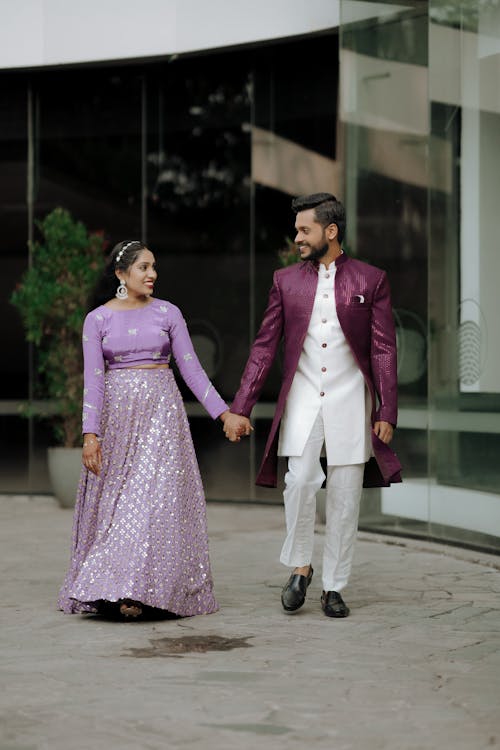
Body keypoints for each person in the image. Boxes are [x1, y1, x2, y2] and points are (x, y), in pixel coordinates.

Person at [223, 193, 402, 618]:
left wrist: (386, 411)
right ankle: (300, 567)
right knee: (300, 480)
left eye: (305, 230)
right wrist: (241, 405)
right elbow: (264, 348)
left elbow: (383, 351)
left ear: (331, 231)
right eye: (298, 229)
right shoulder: (285, 281)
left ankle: (334, 586)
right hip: (303, 397)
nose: (298, 237)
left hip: (350, 400)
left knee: (344, 496)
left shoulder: (371, 280)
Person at [58, 240, 246, 620]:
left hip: (163, 418)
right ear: (121, 275)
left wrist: (223, 414)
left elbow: (191, 370)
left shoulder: (168, 313)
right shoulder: (98, 320)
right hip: (117, 423)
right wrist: (90, 434)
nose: (152, 274)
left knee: (153, 504)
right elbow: (93, 381)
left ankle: (144, 590)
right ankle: (115, 585)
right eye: (144, 267)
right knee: (120, 507)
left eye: (154, 266)